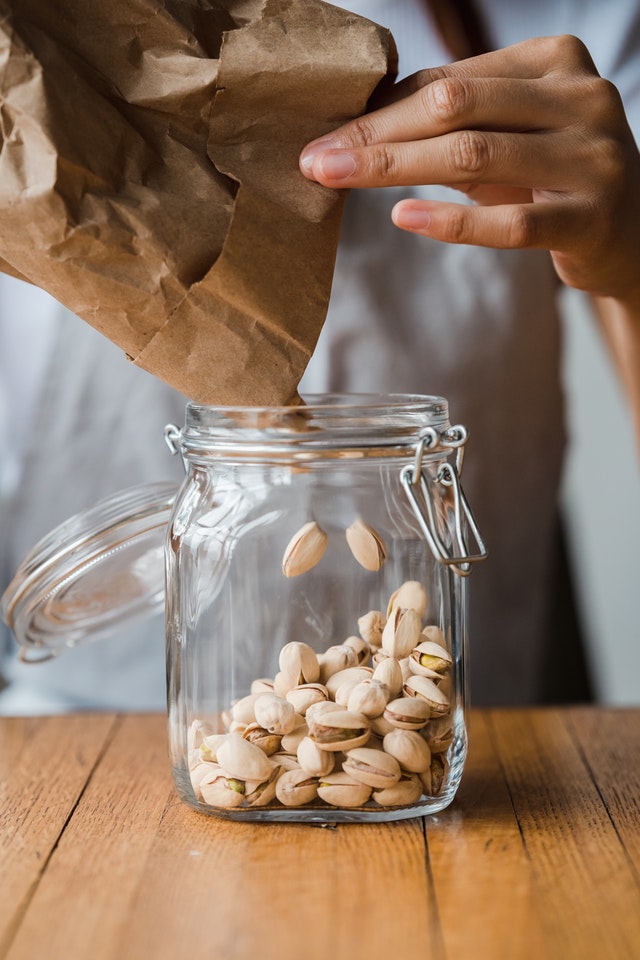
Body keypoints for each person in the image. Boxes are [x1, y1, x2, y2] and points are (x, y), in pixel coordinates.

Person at [1, 0, 639, 710]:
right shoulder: (28, 55)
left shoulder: (575, 23)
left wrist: (627, 265)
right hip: (77, 740)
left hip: (473, 733)